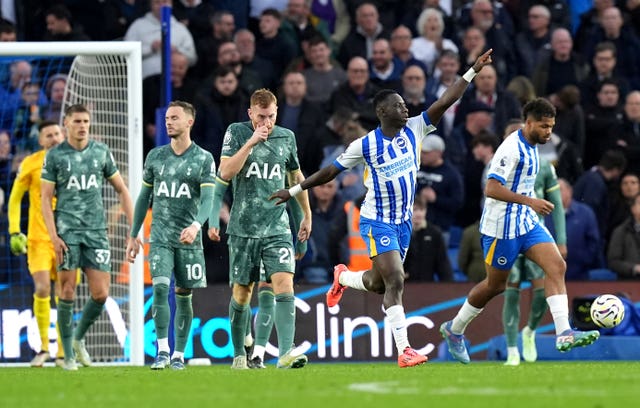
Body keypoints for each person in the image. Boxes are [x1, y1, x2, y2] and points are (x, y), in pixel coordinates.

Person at [271, 49, 494, 368]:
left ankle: (344, 278)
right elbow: (329, 172)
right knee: (396, 280)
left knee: (378, 284)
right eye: (399, 105)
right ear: (383, 111)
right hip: (377, 221)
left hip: (403, 223)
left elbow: (445, 102)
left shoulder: (416, 129)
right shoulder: (365, 145)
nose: (406, 108)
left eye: (405, 105)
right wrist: (293, 190)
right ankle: (405, 351)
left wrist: (471, 70)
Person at [440, 98, 600, 365]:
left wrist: (530, 208)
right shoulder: (510, 149)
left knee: (556, 266)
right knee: (495, 286)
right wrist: (531, 201)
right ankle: (454, 329)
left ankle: (564, 333)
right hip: (500, 228)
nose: (549, 132)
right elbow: (491, 188)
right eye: (544, 126)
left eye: (551, 126)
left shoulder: (534, 146)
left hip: (526, 223)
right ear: (529, 123)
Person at [207, 89, 312, 370]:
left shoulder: (286, 137)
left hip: (277, 227)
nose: (267, 122)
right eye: (261, 116)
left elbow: (295, 178)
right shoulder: (237, 133)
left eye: (272, 116)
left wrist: (307, 214)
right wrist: (252, 142)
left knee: (284, 284)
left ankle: (286, 353)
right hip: (243, 228)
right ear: (250, 113)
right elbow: (226, 172)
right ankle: (240, 353)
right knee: (242, 295)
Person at [40, 104, 135, 371]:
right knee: (67, 290)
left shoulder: (100, 152)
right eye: (77, 121)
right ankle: (67, 355)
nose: (82, 126)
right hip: (67, 232)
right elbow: (45, 199)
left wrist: (133, 227)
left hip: (96, 232)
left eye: (86, 121)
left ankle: (78, 339)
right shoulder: (55, 156)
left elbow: (122, 190)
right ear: (66, 124)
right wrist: (53, 235)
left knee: (101, 293)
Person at [126, 101, 214, 370]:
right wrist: (133, 234)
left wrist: (197, 225)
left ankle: (179, 354)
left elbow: (209, 198)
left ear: (189, 122)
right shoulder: (155, 156)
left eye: (175, 117)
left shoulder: (203, 158)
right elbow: (144, 198)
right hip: (161, 236)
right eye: (166, 118)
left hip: (189, 238)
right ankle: (162, 351)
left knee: (183, 294)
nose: (168, 122)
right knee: (161, 288)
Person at [499, 122, 568, 366]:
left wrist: (561, 239)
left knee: (541, 291)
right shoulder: (497, 165)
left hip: (533, 235)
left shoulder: (543, 166)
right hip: (505, 234)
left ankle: (529, 331)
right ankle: (511, 350)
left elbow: (557, 204)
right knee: (511, 291)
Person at [7, 121, 65, 367]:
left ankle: (63, 353)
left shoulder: (75, 162)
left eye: (56, 134)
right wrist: (13, 231)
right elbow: (14, 199)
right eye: (48, 135)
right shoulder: (30, 164)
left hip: (66, 238)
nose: (53, 138)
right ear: (40, 140)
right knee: (42, 288)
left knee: (65, 293)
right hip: (38, 239)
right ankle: (43, 348)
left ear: (63, 135)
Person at [607, 193, 640, 279]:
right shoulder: (621, 232)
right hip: (629, 282)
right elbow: (613, 262)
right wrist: (634, 268)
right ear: (633, 208)